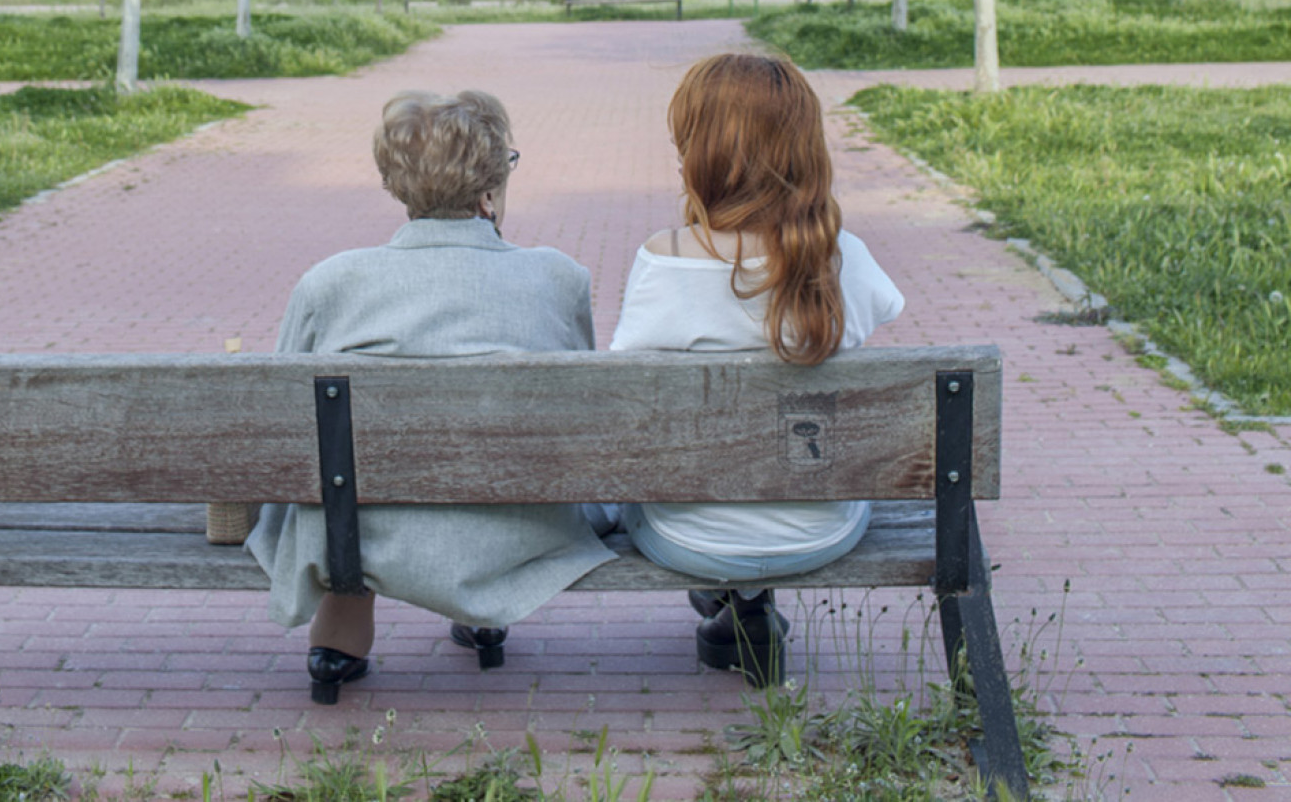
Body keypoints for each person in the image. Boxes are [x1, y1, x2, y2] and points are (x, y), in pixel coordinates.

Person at [247, 89, 615, 705]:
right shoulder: (558, 277)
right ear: (491, 184)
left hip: (360, 530)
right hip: (515, 526)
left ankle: (339, 631)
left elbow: (279, 424)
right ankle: (483, 609)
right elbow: (580, 419)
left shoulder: (331, 282)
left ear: (396, 183)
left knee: (339, 475)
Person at [608, 53, 904, 686]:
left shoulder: (664, 262)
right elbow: (882, 311)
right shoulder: (842, 257)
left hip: (688, 533)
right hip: (819, 529)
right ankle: (746, 608)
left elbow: (623, 397)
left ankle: (733, 602)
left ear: (700, 151)